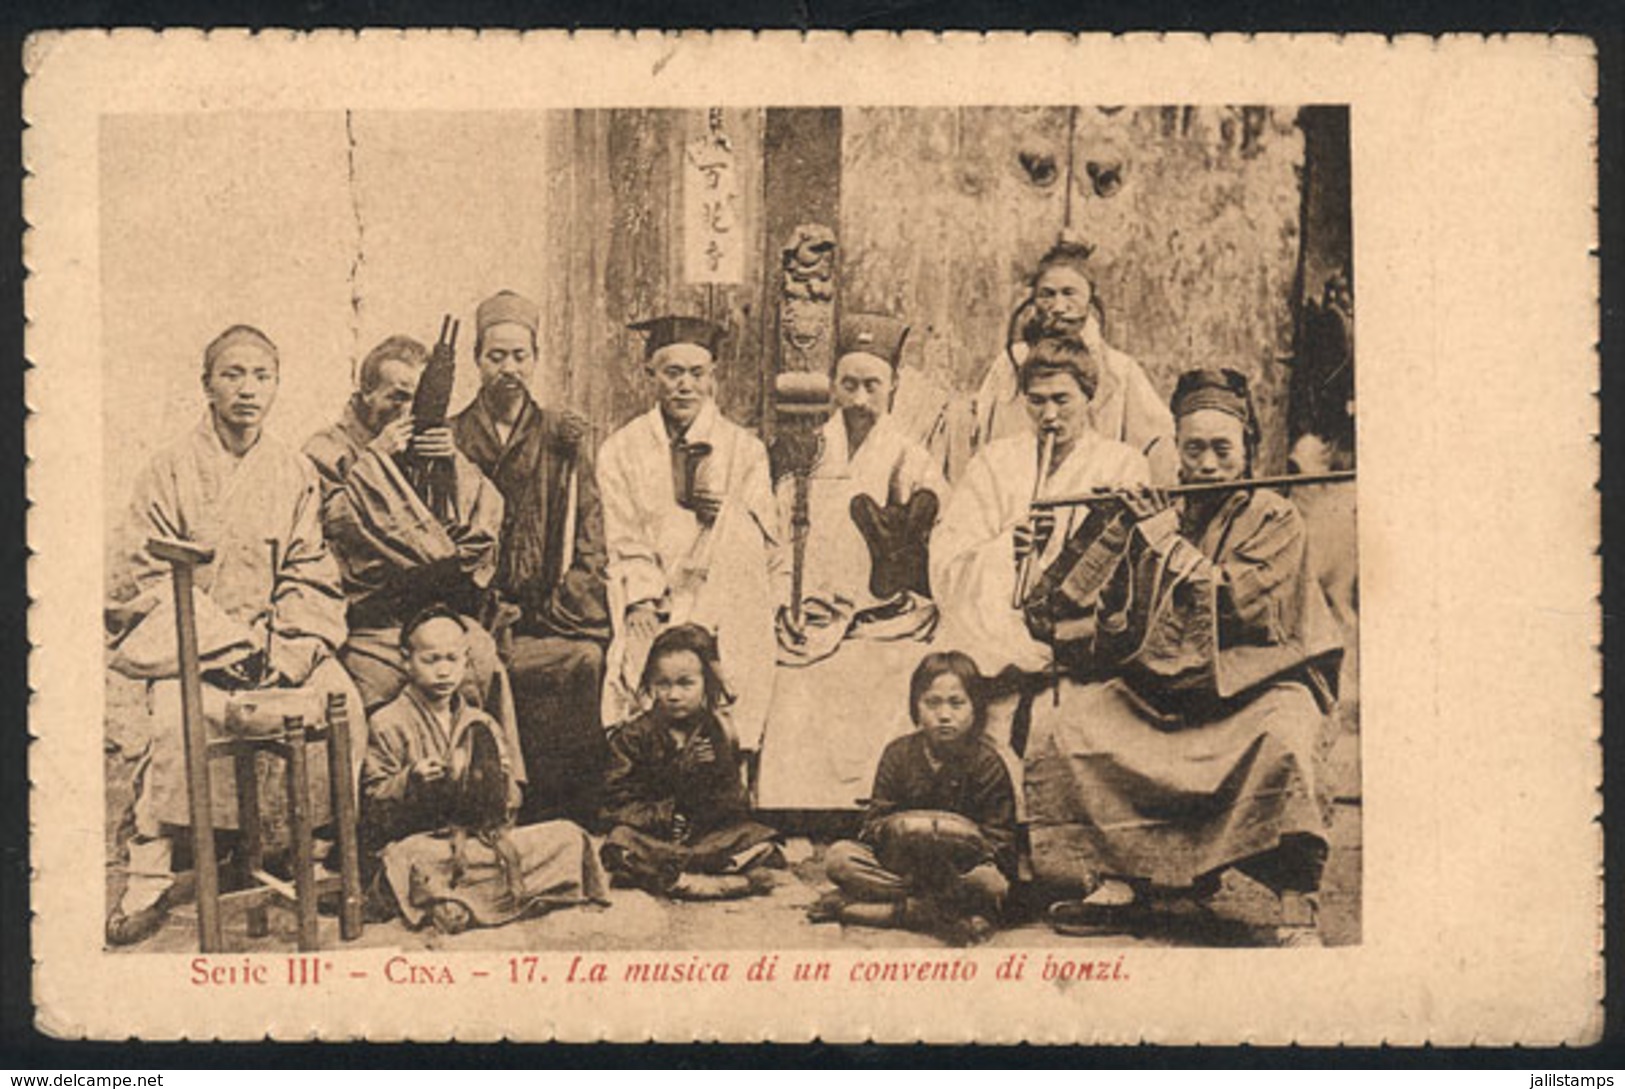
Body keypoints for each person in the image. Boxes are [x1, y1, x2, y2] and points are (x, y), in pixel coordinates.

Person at [1021, 368, 1344, 945]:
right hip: (1163, 685)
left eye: (1223, 449)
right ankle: (1123, 876)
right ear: (1177, 451)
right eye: (1194, 449)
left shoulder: (1276, 517)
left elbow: (1232, 604)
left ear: (1247, 450)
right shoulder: (1161, 506)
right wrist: (1095, 533)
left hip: (1259, 683)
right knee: (1067, 726)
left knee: (1285, 743)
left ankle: (1296, 906)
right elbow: (1073, 604)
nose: (1209, 464)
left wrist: (1163, 538)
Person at [103, 324, 362, 945]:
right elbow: (140, 580)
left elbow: (310, 569)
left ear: (276, 386)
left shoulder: (293, 471)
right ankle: (151, 869)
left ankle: (310, 852)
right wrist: (222, 642)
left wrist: (287, 648)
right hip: (190, 645)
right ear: (207, 385)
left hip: (278, 644)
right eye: (233, 374)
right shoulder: (167, 470)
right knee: (175, 721)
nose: (248, 390)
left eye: (262, 376)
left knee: (342, 703)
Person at [303, 334, 524, 790]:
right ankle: (377, 803)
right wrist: (375, 460)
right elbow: (333, 522)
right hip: (368, 619)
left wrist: (453, 468)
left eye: (418, 401)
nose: (408, 413)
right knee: (383, 681)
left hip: (432, 615)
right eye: (396, 398)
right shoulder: (325, 450)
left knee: (481, 657)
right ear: (365, 393)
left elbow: (475, 527)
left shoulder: (432, 445)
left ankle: (490, 791)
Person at [931, 336, 1151, 767]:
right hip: (993, 615)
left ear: (1090, 397)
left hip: (1077, 622)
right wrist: (1004, 553)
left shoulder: (1122, 464)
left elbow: (1128, 564)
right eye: (1036, 401)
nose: (1049, 415)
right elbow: (950, 554)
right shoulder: (994, 462)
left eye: (1062, 400)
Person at [758, 313, 946, 809]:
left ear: (893, 387)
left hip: (886, 617)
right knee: (791, 683)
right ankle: (798, 811)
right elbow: (776, 542)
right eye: (849, 385)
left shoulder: (910, 456)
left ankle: (873, 806)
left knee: (890, 671)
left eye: (872, 385)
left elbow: (934, 547)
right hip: (813, 616)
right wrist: (786, 603)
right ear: (833, 387)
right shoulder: (807, 453)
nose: (860, 400)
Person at [451, 291, 613, 828]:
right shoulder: (451, 437)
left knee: (584, 659)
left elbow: (590, 531)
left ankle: (570, 816)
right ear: (476, 360)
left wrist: (564, 601)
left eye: (520, 356)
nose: (509, 369)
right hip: (478, 612)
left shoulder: (559, 435)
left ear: (536, 359)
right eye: (496, 356)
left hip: (550, 609)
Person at [596, 315, 783, 756]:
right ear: (650, 375)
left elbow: (763, 539)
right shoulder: (621, 449)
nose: (685, 386)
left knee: (737, 652)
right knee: (637, 658)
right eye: (672, 372)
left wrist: (729, 516)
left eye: (697, 374)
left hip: (724, 593)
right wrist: (641, 596)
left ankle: (728, 760)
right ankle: (652, 776)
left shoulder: (744, 449)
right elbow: (622, 535)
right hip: (656, 589)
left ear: (713, 377)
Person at [361, 605, 607, 933]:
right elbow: (372, 807)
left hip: (480, 846)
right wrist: (410, 779)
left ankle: (453, 900)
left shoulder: (481, 721)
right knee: (406, 857)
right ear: (407, 660)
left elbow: (510, 807)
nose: (444, 671)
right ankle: (474, 897)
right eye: (431, 660)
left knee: (568, 837)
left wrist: (499, 783)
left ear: (466, 660)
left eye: (453, 659)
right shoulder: (387, 722)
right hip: (429, 844)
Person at [814, 651, 1017, 945]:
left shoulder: (987, 763)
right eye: (932, 703)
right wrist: (904, 832)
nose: (945, 715)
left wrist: (957, 840)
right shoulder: (898, 754)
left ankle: (895, 911)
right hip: (902, 871)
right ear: (916, 707)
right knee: (840, 859)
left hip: (960, 873)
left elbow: (1001, 841)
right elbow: (872, 823)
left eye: (957, 703)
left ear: (975, 709)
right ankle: (933, 911)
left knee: (992, 884)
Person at [970, 239, 1177, 485]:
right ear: (1033, 301)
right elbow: (982, 435)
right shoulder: (1009, 364)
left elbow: (1157, 442)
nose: (1058, 307)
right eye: (1047, 295)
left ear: (1089, 300)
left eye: (1069, 293)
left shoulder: (1119, 371)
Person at [598, 625, 782, 900]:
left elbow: (734, 800)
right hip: (655, 835)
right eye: (663, 684)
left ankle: (681, 876)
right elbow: (613, 804)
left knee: (760, 841)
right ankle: (717, 880)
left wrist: (706, 780)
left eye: (686, 684)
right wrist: (666, 812)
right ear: (650, 684)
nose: (673, 695)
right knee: (619, 843)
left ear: (706, 684)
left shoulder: (716, 729)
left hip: (703, 835)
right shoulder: (634, 735)